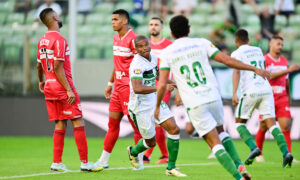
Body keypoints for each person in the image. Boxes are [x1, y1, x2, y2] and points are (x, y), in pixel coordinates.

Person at [155, 15, 266, 180]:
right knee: (221, 132)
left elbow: (162, 83)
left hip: (194, 101)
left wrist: (157, 107)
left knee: (214, 143)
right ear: (189, 29)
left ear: (171, 33)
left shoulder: (167, 52)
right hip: (213, 95)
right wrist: (253, 68)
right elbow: (227, 60)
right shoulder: (202, 42)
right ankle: (238, 163)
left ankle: (238, 177)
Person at [36, 8, 102, 172]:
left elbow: (38, 65)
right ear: (54, 17)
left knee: (60, 123)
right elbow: (58, 66)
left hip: (49, 87)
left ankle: (57, 163)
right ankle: (85, 163)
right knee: (78, 121)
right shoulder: (59, 40)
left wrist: (41, 81)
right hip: (62, 87)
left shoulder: (42, 40)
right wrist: (69, 90)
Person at [231, 29, 294, 168]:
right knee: (271, 124)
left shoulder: (236, 53)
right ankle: (285, 152)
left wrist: (235, 93)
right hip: (266, 89)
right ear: (248, 40)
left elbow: (236, 71)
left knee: (239, 123)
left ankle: (254, 148)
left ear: (236, 41)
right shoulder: (258, 50)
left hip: (250, 90)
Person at [127, 35, 186, 177]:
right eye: (140, 47)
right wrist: (161, 87)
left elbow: (159, 76)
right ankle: (133, 151)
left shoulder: (153, 58)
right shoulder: (136, 64)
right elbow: (137, 88)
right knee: (150, 142)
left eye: (145, 45)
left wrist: (175, 84)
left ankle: (171, 167)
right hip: (140, 106)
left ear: (149, 44)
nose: (144, 48)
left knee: (174, 129)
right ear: (136, 49)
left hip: (153, 100)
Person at [95, 9, 143, 169]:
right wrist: (110, 83)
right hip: (117, 88)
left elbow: (142, 64)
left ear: (124, 21)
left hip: (129, 89)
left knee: (136, 126)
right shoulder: (116, 38)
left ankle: (139, 160)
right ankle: (103, 160)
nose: (112, 22)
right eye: (112, 19)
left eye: (115, 19)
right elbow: (117, 64)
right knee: (112, 125)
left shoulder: (134, 39)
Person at [255, 36, 300, 162]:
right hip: (267, 98)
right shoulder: (264, 60)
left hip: (282, 98)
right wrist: (288, 70)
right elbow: (268, 76)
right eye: (278, 44)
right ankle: (259, 153)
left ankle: (288, 155)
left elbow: (286, 80)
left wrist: (288, 95)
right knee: (263, 126)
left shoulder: (284, 61)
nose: (280, 46)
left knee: (285, 126)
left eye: (282, 44)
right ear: (271, 44)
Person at [143, 17, 173, 164]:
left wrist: (173, 84)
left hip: (163, 87)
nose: (153, 27)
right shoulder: (144, 45)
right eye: (151, 24)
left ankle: (149, 154)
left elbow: (174, 66)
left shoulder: (169, 45)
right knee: (152, 119)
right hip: (147, 87)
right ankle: (163, 154)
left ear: (162, 27)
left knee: (157, 118)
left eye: (156, 25)